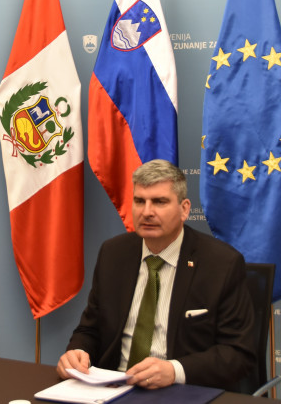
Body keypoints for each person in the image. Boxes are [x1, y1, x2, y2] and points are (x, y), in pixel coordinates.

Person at [57, 159, 257, 392]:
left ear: (184, 209)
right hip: (111, 389)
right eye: (139, 201)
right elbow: (89, 329)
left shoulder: (221, 264)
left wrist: (175, 370)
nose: (147, 212)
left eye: (159, 202)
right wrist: (78, 352)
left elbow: (238, 354)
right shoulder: (113, 254)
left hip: (181, 391)